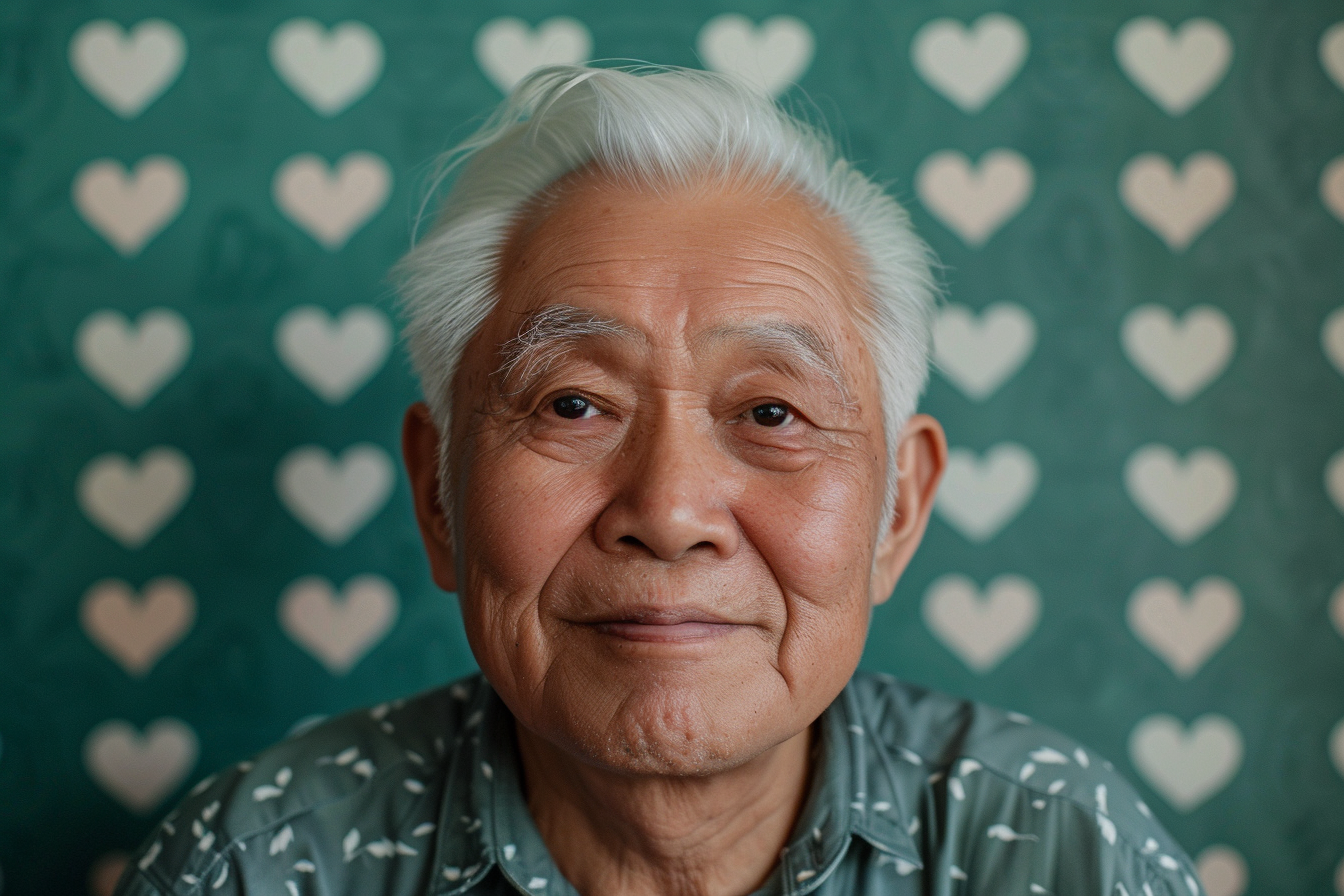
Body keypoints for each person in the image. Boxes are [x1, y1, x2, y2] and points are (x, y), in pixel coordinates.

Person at [114, 65, 1205, 896]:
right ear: (439, 495)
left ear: (899, 509)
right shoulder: (261, 863)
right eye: (574, 404)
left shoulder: (1065, 849)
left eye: (772, 413)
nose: (671, 510)